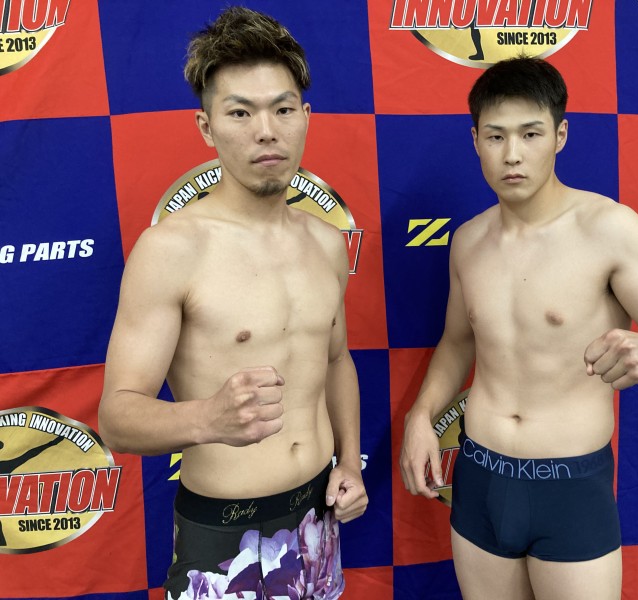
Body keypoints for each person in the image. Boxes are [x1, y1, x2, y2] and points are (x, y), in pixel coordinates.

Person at [399, 57, 638, 600]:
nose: (512, 154)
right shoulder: (468, 241)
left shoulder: (609, 229)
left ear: (560, 135)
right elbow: (458, 342)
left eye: (531, 134)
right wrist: (421, 415)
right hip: (479, 476)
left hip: (570, 488)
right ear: (475, 140)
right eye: (496, 136)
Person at [98, 7, 367, 599]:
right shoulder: (171, 249)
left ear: (305, 118)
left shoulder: (327, 242)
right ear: (206, 126)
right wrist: (206, 419)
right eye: (240, 112)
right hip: (225, 534)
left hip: (319, 521)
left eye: (283, 109)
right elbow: (116, 418)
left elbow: (335, 360)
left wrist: (349, 460)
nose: (266, 130)